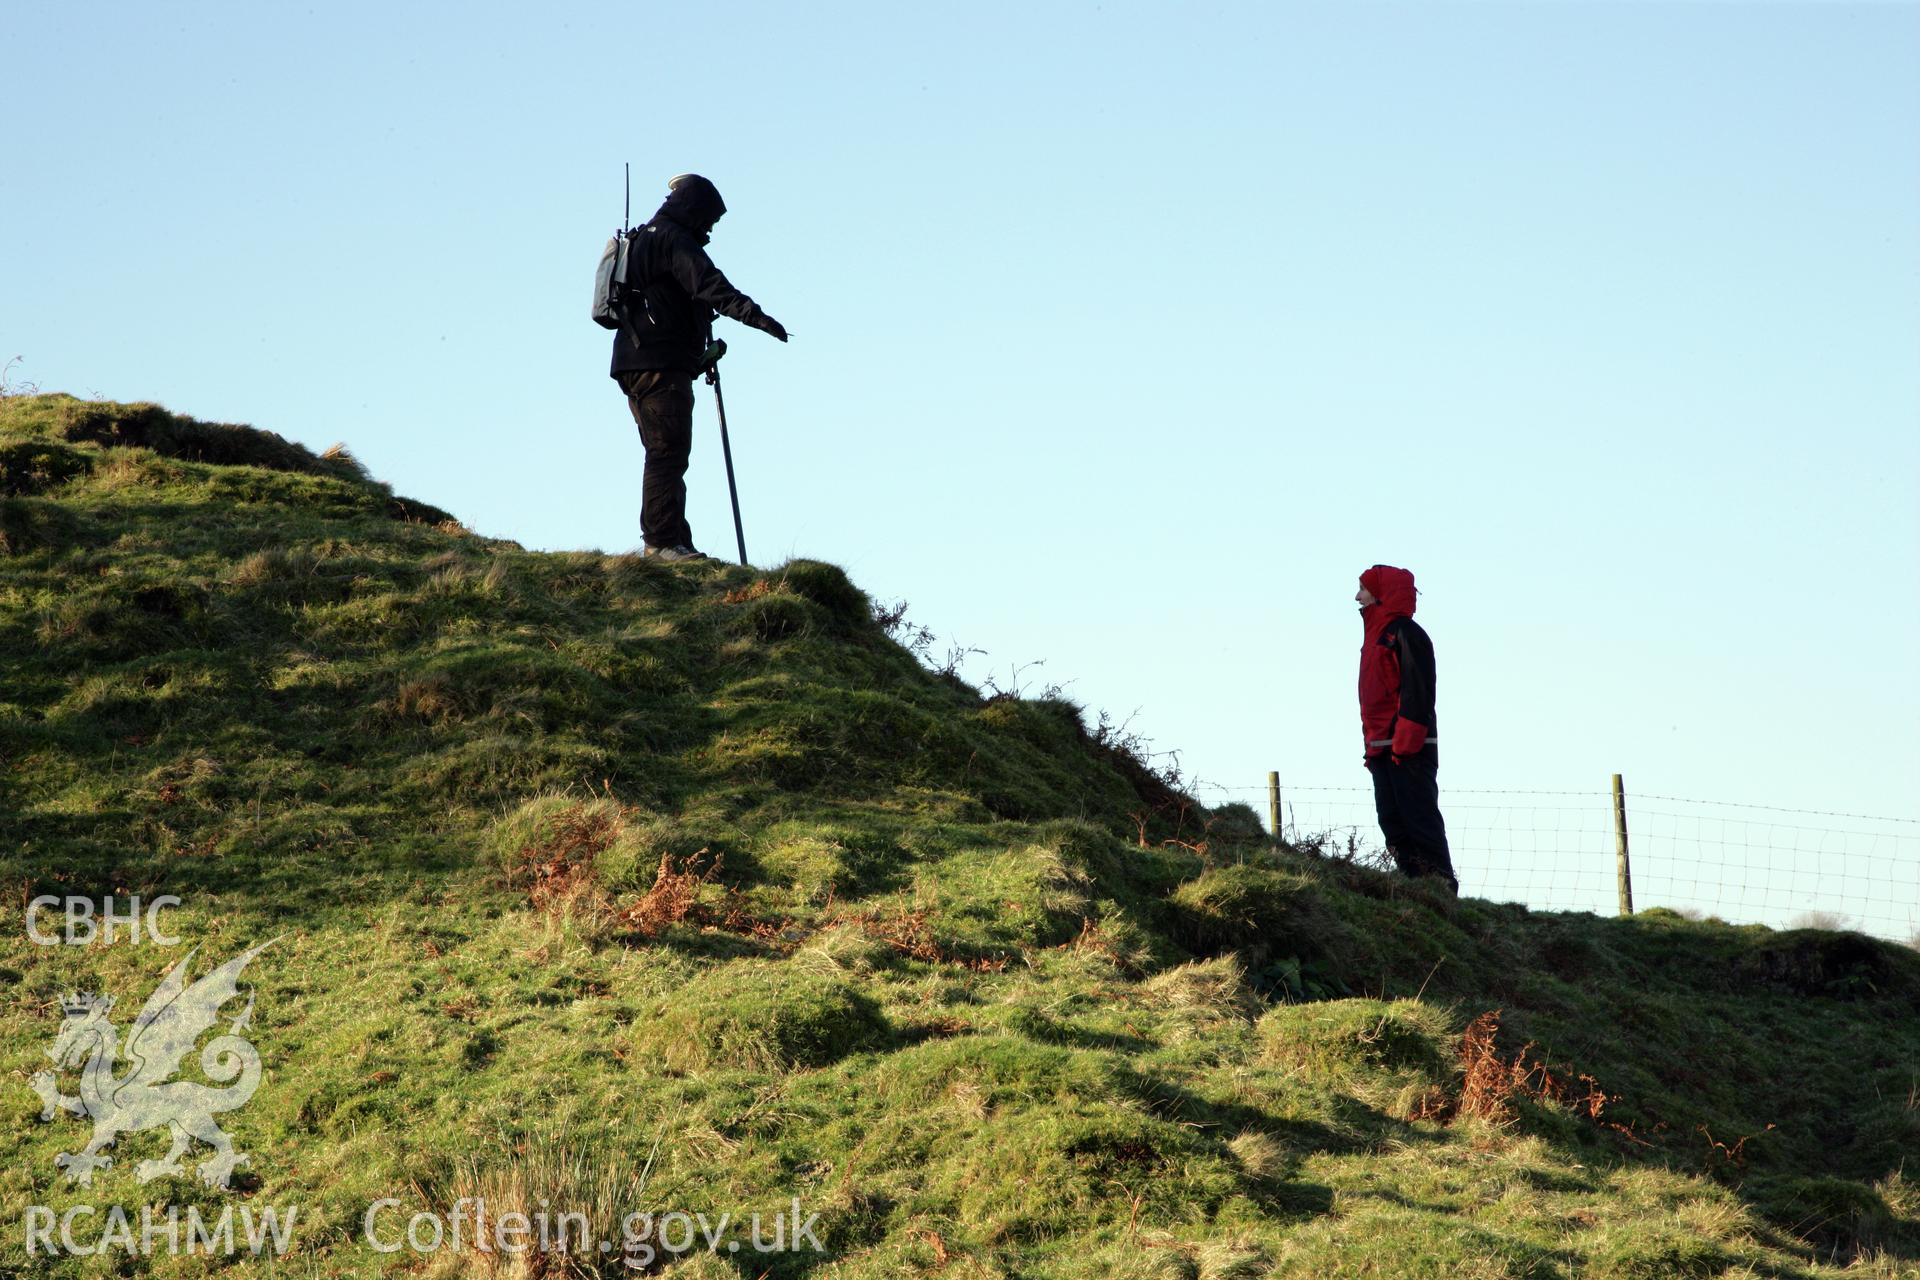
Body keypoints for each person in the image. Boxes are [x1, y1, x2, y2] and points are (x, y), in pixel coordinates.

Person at [610, 174, 787, 561]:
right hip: (658, 363)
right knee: (667, 451)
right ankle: (660, 545)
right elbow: (710, 285)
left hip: (636, 362)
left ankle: (676, 540)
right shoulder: (674, 239)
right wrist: (756, 317)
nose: (710, 227)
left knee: (665, 450)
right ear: (695, 209)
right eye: (710, 218)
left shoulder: (644, 239)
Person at [1355, 564, 1459, 893]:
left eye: (1364, 589)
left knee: (1419, 820)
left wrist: (1405, 744)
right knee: (1392, 822)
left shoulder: (1407, 634)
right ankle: (1413, 889)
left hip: (1407, 749)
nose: (1357, 597)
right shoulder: (1374, 638)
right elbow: (1374, 699)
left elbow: (1417, 692)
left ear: (1382, 593)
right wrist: (1373, 748)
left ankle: (1441, 890)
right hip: (1382, 748)